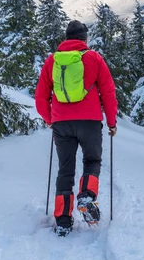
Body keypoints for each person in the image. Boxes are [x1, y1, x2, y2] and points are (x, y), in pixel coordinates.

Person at [35, 20, 118, 236]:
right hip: (90, 122)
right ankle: (87, 195)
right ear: (84, 38)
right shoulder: (93, 58)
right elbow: (108, 92)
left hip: (61, 123)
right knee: (92, 160)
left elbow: (41, 96)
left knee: (65, 169)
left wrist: (50, 119)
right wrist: (111, 122)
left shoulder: (53, 60)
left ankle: (63, 220)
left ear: (66, 38)